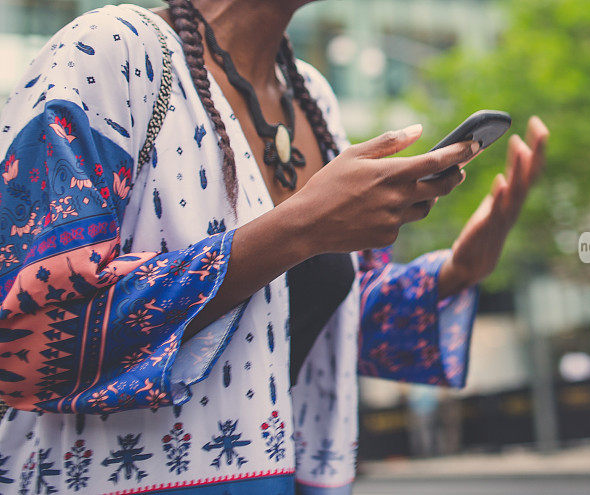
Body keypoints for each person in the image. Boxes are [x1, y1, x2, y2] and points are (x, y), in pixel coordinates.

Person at [0, 0, 548, 493]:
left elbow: (310, 321)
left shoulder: (314, 102)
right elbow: (26, 334)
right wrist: (297, 230)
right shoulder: (107, 51)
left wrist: (456, 271)